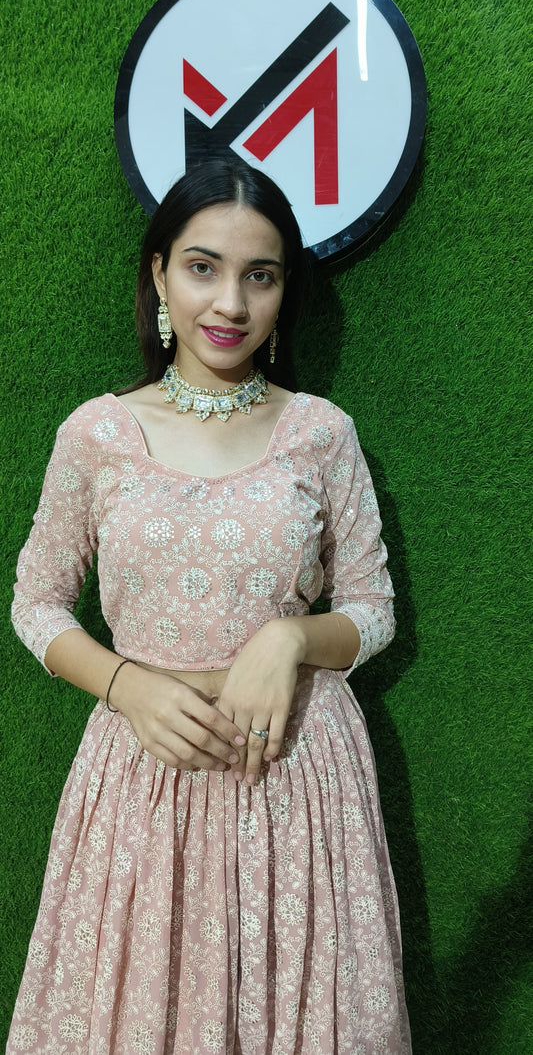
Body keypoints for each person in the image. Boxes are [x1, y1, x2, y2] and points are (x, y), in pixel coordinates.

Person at [8, 159, 411, 1054]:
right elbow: (36, 604)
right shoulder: (97, 433)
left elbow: (372, 606)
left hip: (298, 778)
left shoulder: (321, 431)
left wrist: (288, 639)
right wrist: (126, 685)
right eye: (202, 267)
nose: (230, 302)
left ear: (284, 290)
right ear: (158, 273)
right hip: (144, 779)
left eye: (259, 275)